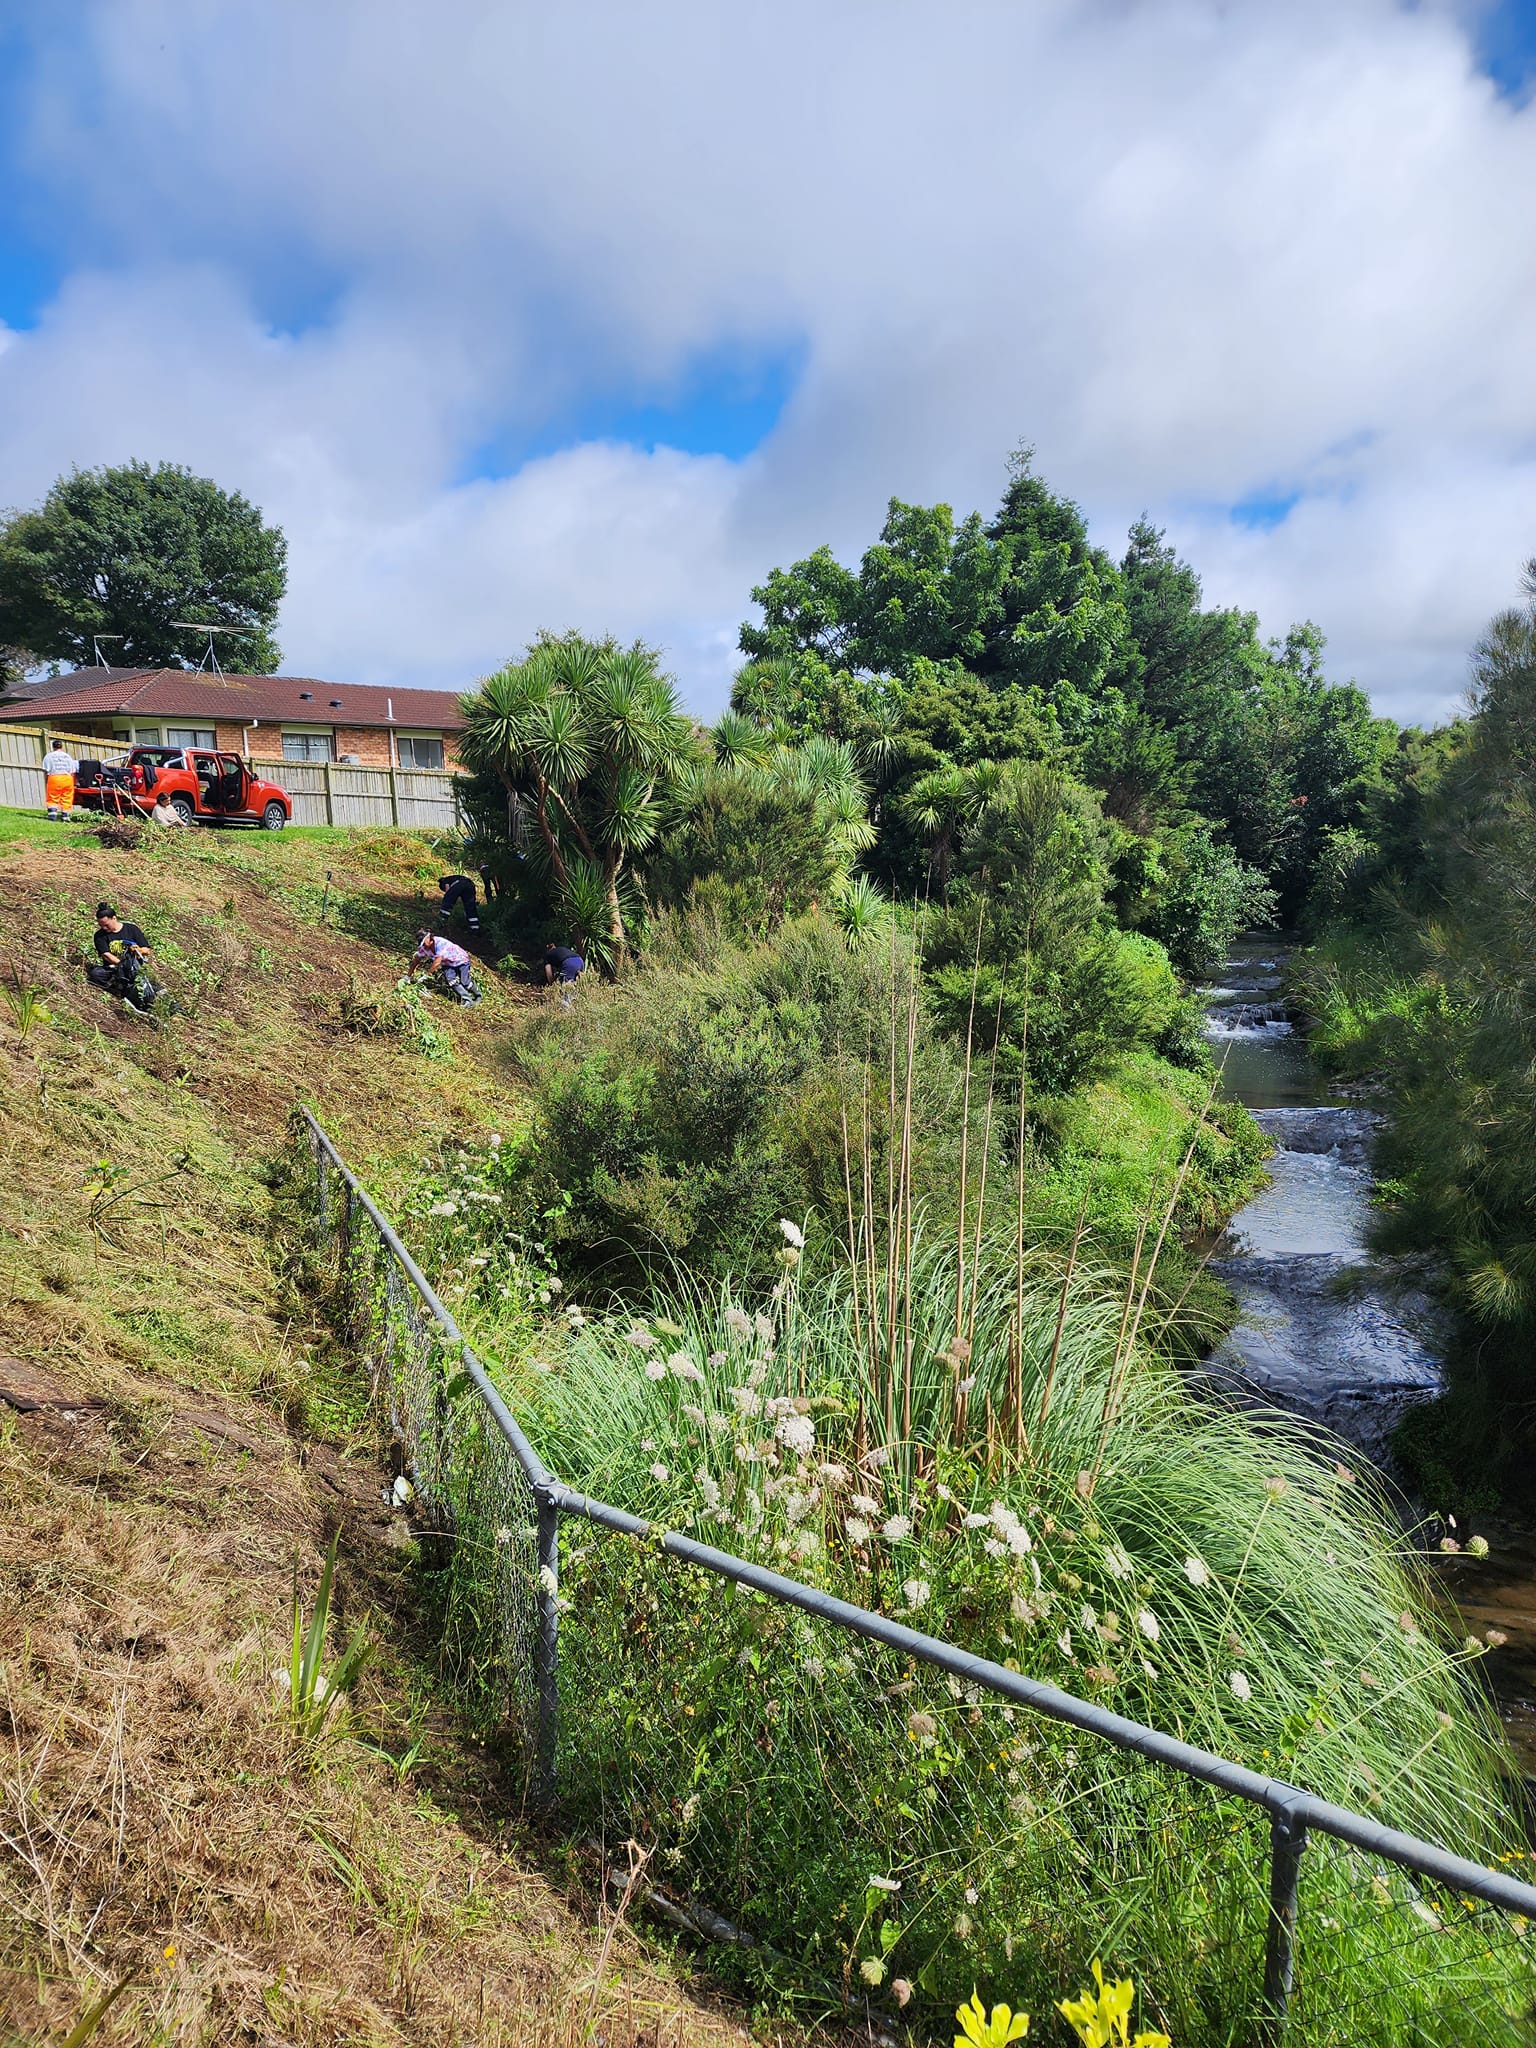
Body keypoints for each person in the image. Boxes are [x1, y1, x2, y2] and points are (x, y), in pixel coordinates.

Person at [88, 903, 158, 1011]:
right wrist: (122, 965)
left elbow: (146, 950)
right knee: (96, 974)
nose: (104, 928)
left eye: (106, 925)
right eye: (101, 925)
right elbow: (106, 955)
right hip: (114, 968)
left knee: (146, 984)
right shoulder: (99, 936)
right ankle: (118, 987)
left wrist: (138, 950)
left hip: (135, 967)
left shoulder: (131, 929)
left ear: (114, 918)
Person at [411, 928, 481, 1005]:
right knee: (451, 981)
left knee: (465, 982)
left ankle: (478, 995)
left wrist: (426, 975)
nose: (423, 945)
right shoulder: (424, 948)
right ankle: (468, 1000)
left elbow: (437, 961)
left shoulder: (440, 943)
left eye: (424, 942)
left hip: (460, 960)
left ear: (428, 938)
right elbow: (416, 960)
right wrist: (408, 976)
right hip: (447, 963)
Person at [541, 941, 585, 1007]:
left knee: (565, 987)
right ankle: (577, 1004)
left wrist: (552, 984)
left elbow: (548, 971)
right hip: (580, 960)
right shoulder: (561, 949)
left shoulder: (548, 955)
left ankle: (567, 1010)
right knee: (576, 984)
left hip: (569, 963)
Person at [42, 739, 77, 821]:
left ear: (53, 747)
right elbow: (72, 771)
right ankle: (66, 817)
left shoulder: (49, 756)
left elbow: (46, 770)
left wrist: (46, 781)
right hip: (67, 778)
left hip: (55, 777)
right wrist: (73, 782)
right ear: (61, 746)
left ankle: (52, 815)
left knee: (53, 797)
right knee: (67, 797)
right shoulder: (67, 756)